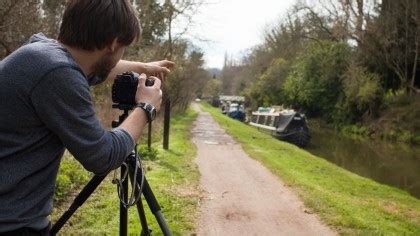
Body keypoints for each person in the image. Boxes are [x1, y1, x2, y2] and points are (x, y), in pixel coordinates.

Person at [0, 0, 174, 234]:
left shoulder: (42, 52)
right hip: (13, 225)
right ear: (112, 43)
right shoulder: (57, 73)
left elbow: (92, 68)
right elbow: (102, 156)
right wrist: (146, 108)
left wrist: (143, 66)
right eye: (124, 47)